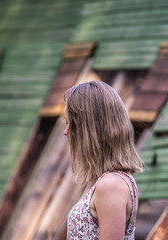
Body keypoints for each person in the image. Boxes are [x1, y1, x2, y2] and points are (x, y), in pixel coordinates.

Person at [63, 81, 143, 240]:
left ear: (88, 128)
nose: (65, 132)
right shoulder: (101, 180)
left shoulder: (111, 185)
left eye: (68, 123)